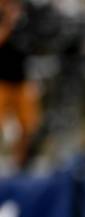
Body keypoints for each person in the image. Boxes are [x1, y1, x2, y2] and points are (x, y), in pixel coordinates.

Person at [0, 0, 41, 169]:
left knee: (28, 125)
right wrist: (8, 23)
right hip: (2, 82)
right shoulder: (4, 21)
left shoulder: (28, 19)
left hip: (22, 81)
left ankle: (21, 162)